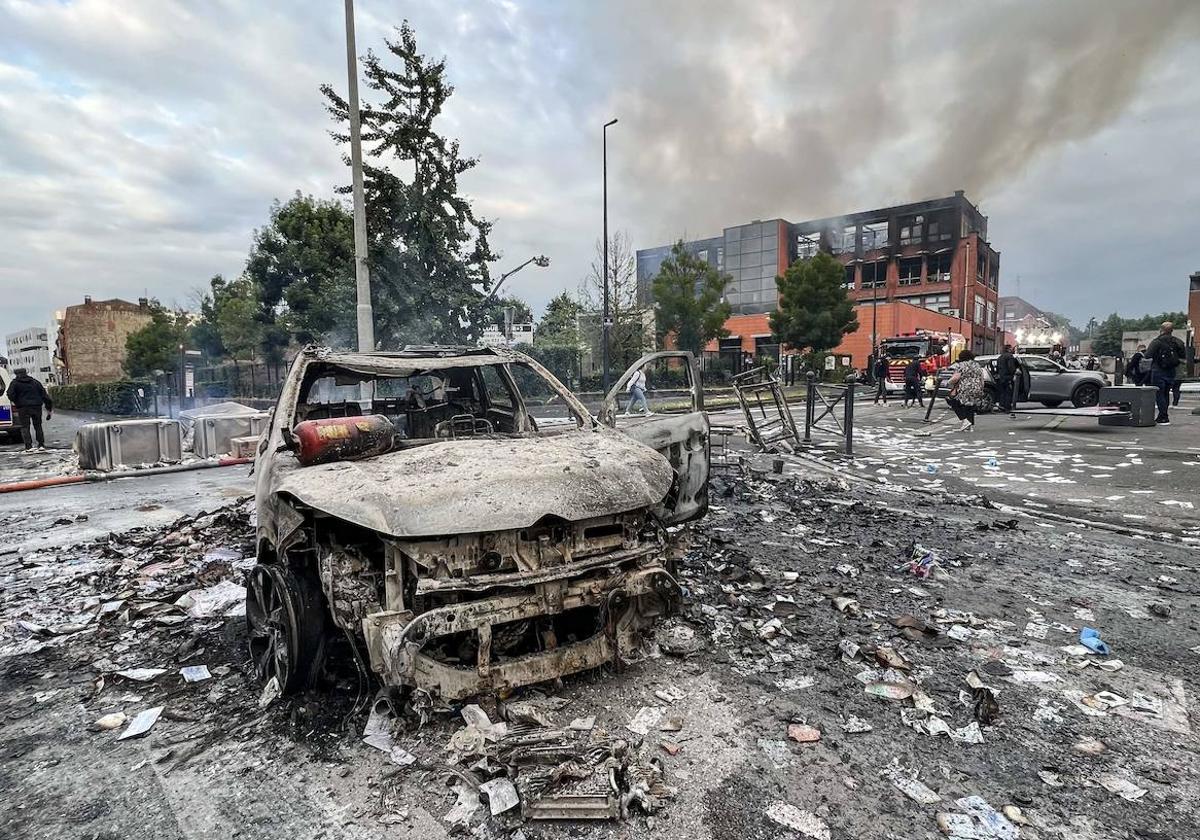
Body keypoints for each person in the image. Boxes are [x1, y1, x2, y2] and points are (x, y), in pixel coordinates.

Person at [1145, 321, 1186, 425]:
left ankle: (1163, 416)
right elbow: (1183, 356)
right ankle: (1163, 415)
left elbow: (1148, 355)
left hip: (1158, 369)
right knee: (1166, 393)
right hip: (1171, 371)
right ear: (1172, 330)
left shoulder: (1157, 341)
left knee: (1159, 393)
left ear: (1161, 330)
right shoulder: (1178, 342)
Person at [5, 368, 53, 451]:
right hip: (36, 406)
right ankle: (41, 445)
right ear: (26, 373)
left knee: (25, 427)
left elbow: (10, 394)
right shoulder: (35, 382)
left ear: (16, 374)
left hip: (23, 407)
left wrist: (16, 401)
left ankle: (28, 446)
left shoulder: (15, 383)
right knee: (38, 426)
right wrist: (49, 408)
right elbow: (45, 396)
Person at [945, 349, 986, 432]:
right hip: (977, 387)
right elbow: (982, 377)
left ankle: (965, 421)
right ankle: (969, 426)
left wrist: (948, 382)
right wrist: (981, 387)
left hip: (965, 388)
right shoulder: (977, 365)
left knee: (954, 401)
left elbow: (956, 378)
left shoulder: (961, 365)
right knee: (970, 406)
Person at [993, 344, 1018, 416]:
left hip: (1001, 377)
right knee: (1008, 393)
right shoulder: (1010, 356)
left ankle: (1001, 406)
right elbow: (1011, 367)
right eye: (1011, 348)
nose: (1012, 349)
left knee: (1002, 393)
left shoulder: (1000, 357)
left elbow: (997, 367)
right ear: (1009, 349)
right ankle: (1007, 408)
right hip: (1008, 377)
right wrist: (1014, 373)